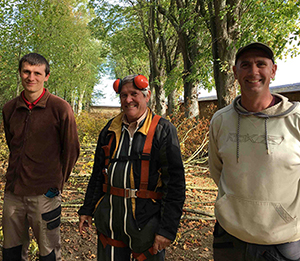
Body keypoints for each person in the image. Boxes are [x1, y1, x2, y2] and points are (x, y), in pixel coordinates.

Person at [78, 74, 185, 261]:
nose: (128, 100)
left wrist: (167, 229)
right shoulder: (109, 130)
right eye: (123, 95)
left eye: (134, 94)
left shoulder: (163, 130)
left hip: (147, 223)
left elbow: (175, 183)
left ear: (147, 95)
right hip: (110, 221)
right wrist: (87, 209)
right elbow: (97, 174)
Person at [208, 42, 300, 261]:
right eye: (246, 65)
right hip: (230, 236)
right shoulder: (220, 120)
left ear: (273, 70)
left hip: (283, 240)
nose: (253, 71)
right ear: (235, 72)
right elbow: (217, 171)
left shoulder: (296, 120)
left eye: (261, 64)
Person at [2, 53, 80, 261]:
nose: (31, 77)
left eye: (37, 73)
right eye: (26, 71)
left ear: (46, 76)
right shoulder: (10, 108)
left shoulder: (60, 108)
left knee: (48, 252)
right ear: (20, 73)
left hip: (45, 194)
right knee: (11, 252)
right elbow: (14, 145)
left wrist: (56, 185)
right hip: (13, 193)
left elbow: (72, 150)